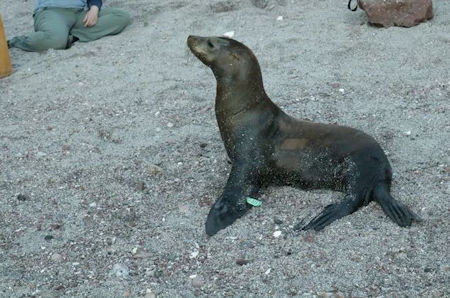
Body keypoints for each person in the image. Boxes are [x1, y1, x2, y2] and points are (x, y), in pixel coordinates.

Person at [8, 0, 130, 52]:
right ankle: (16, 41)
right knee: (55, 41)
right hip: (52, 11)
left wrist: (94, 8)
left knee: (121, 16)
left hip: (79, 13)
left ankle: (71, 36)